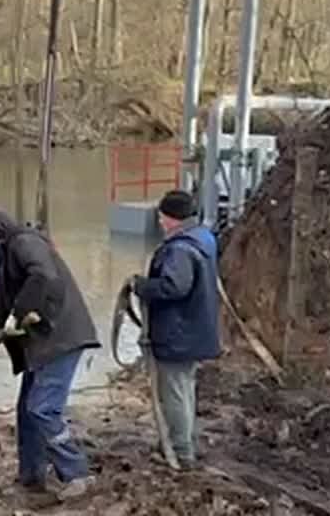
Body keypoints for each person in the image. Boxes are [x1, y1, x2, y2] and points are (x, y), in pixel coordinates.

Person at [0, 207, 100, 500]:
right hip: (40, 345)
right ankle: (31, 478)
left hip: (60, 337)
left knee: (42, 408)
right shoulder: (2, 259)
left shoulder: (25, 243)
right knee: (26, 411)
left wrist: (19, 314)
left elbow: (45, 276)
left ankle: (78, 474)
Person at [130, 189, 220, 470]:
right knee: (185, 387)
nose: (159, 222)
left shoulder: (179, 249)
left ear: (171, 218)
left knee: (175, 393)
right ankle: (184, 441)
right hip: (195, 330)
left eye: (161, 217)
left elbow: (174, 286)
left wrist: (142, 286)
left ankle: (181, 452)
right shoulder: (203, 237)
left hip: (178, 334)